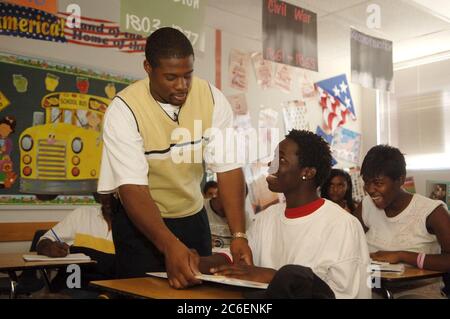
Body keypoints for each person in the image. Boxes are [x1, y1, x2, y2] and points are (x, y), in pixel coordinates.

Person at [98, 27, 252, 288]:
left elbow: (228, 169)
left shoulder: (213, 99)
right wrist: (169, 244)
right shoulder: (123, 110)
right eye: (171, 77)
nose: (182, 86)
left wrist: (239, 235)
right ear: (148, 67)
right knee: (141, 293)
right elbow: (133, 188)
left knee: (199, 294)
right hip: (141, 222)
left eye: (188, 75)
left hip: (192, 216)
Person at [201, 130, 371, 299]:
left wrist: (274, 277)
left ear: (307, 172)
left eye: (281, 159)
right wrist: (199, 263)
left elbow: (344, 293)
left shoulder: (342, 225)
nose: (271, 165)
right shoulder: (265, 219)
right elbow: (238, 258)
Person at [354, 145, 450, 298]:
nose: (370, 189)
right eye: (366, 182)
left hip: (418, 292)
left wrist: (402, 256)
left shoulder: (433, 212)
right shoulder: (366, 206)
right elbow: (351, 245)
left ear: (400, 179)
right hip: (375, 287)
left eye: (378, 183)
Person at [36, 193, 115, 297]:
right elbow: (44, 240)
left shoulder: (134, 225)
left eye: (114, 194)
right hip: (69, 287)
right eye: (105, 193)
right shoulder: (81, 214)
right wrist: (49, 248)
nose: (108, 199)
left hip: (107, 291)